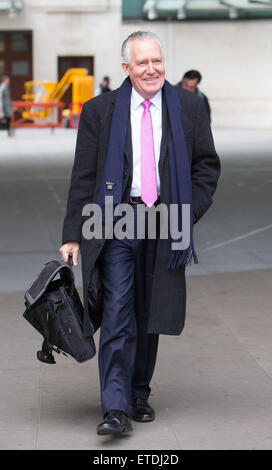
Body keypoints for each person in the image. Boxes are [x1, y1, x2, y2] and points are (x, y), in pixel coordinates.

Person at [60, 31, 220, 436]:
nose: (152, 69)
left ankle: (137, 392)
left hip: (166, 220)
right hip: (115, 219)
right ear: (126, 68)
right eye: (142, 62)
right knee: (117, 311)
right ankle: (114, 407)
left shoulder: (188, 107)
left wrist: (188, 212)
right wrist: (73, 233)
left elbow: (206, 167)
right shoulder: (99, 111)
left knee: (150, 312)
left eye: (157, 61)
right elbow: (84, 175)